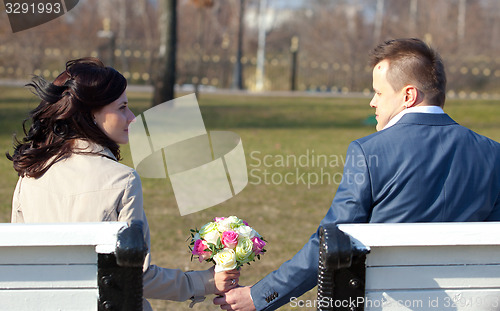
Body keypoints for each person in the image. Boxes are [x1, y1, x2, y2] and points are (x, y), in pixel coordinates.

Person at [214, 38, 500, 311]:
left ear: (409, 95)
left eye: (378, 92)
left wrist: (260, 295)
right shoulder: (493, 154)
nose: (372, 103)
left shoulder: (369, 152)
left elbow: (329, 245)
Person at [8, 57, 240, 310]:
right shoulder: (123, 180)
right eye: (122, 108)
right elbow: (135, 277)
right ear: (90, 115)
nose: (132, 118)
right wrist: (203, 281)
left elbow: (20, 265)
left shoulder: (30, 172)